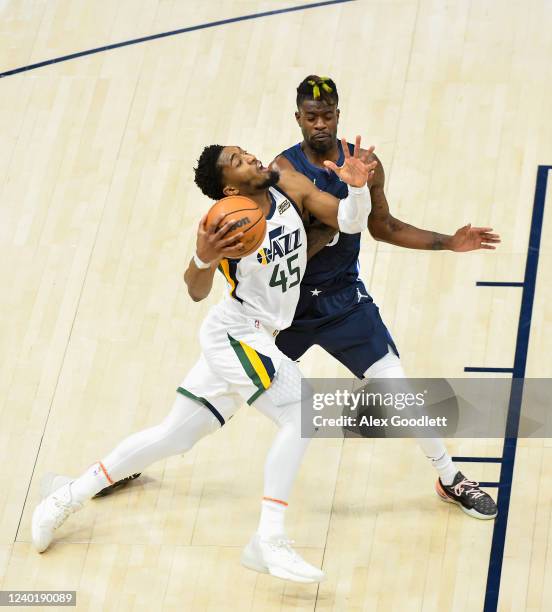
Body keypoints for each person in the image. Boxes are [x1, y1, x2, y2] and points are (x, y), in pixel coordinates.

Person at [32, 138, 378, 583]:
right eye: (236, 161)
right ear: (229, 189)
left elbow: (349, 222)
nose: (250, 157)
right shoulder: (228, 225)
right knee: (302, 413)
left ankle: (65, 496)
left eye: (244, 151)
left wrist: (357, 188)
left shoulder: (286, 184)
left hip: (255, 335)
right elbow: (196, 290)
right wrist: (203, 256)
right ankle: (267, 541)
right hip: (239, 333)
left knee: (173, 437)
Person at [271, 75, 500, 520]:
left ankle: (450, 477)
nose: (321, 123)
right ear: (297, 118)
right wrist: (340, 217)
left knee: (401, 390)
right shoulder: (284, 171)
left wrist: (448, 243)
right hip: (288, 305)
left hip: (343, 303)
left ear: (339, 114)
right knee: (219, 392)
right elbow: (286, 246)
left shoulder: (366, 164)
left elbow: (385, 227)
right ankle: (121, 467)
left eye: (329, 114)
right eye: (312, 116)